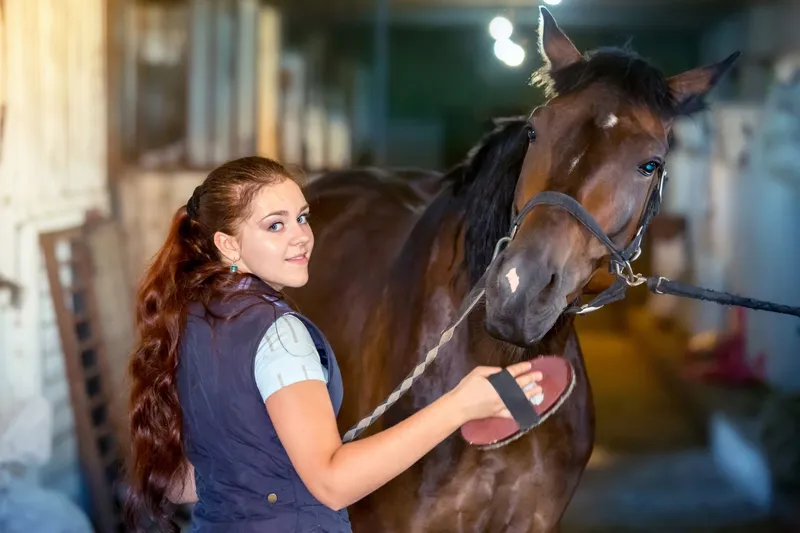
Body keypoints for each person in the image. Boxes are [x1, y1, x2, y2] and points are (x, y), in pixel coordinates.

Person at [125, 156, 545, 533]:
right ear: (229, 244)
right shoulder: (280, 334)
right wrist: (461, 405)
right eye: (276, 225)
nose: (302, 237)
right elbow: (332, 484)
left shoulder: (190, 316)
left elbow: (184, 483)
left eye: (302, 218)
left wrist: (278, 466)